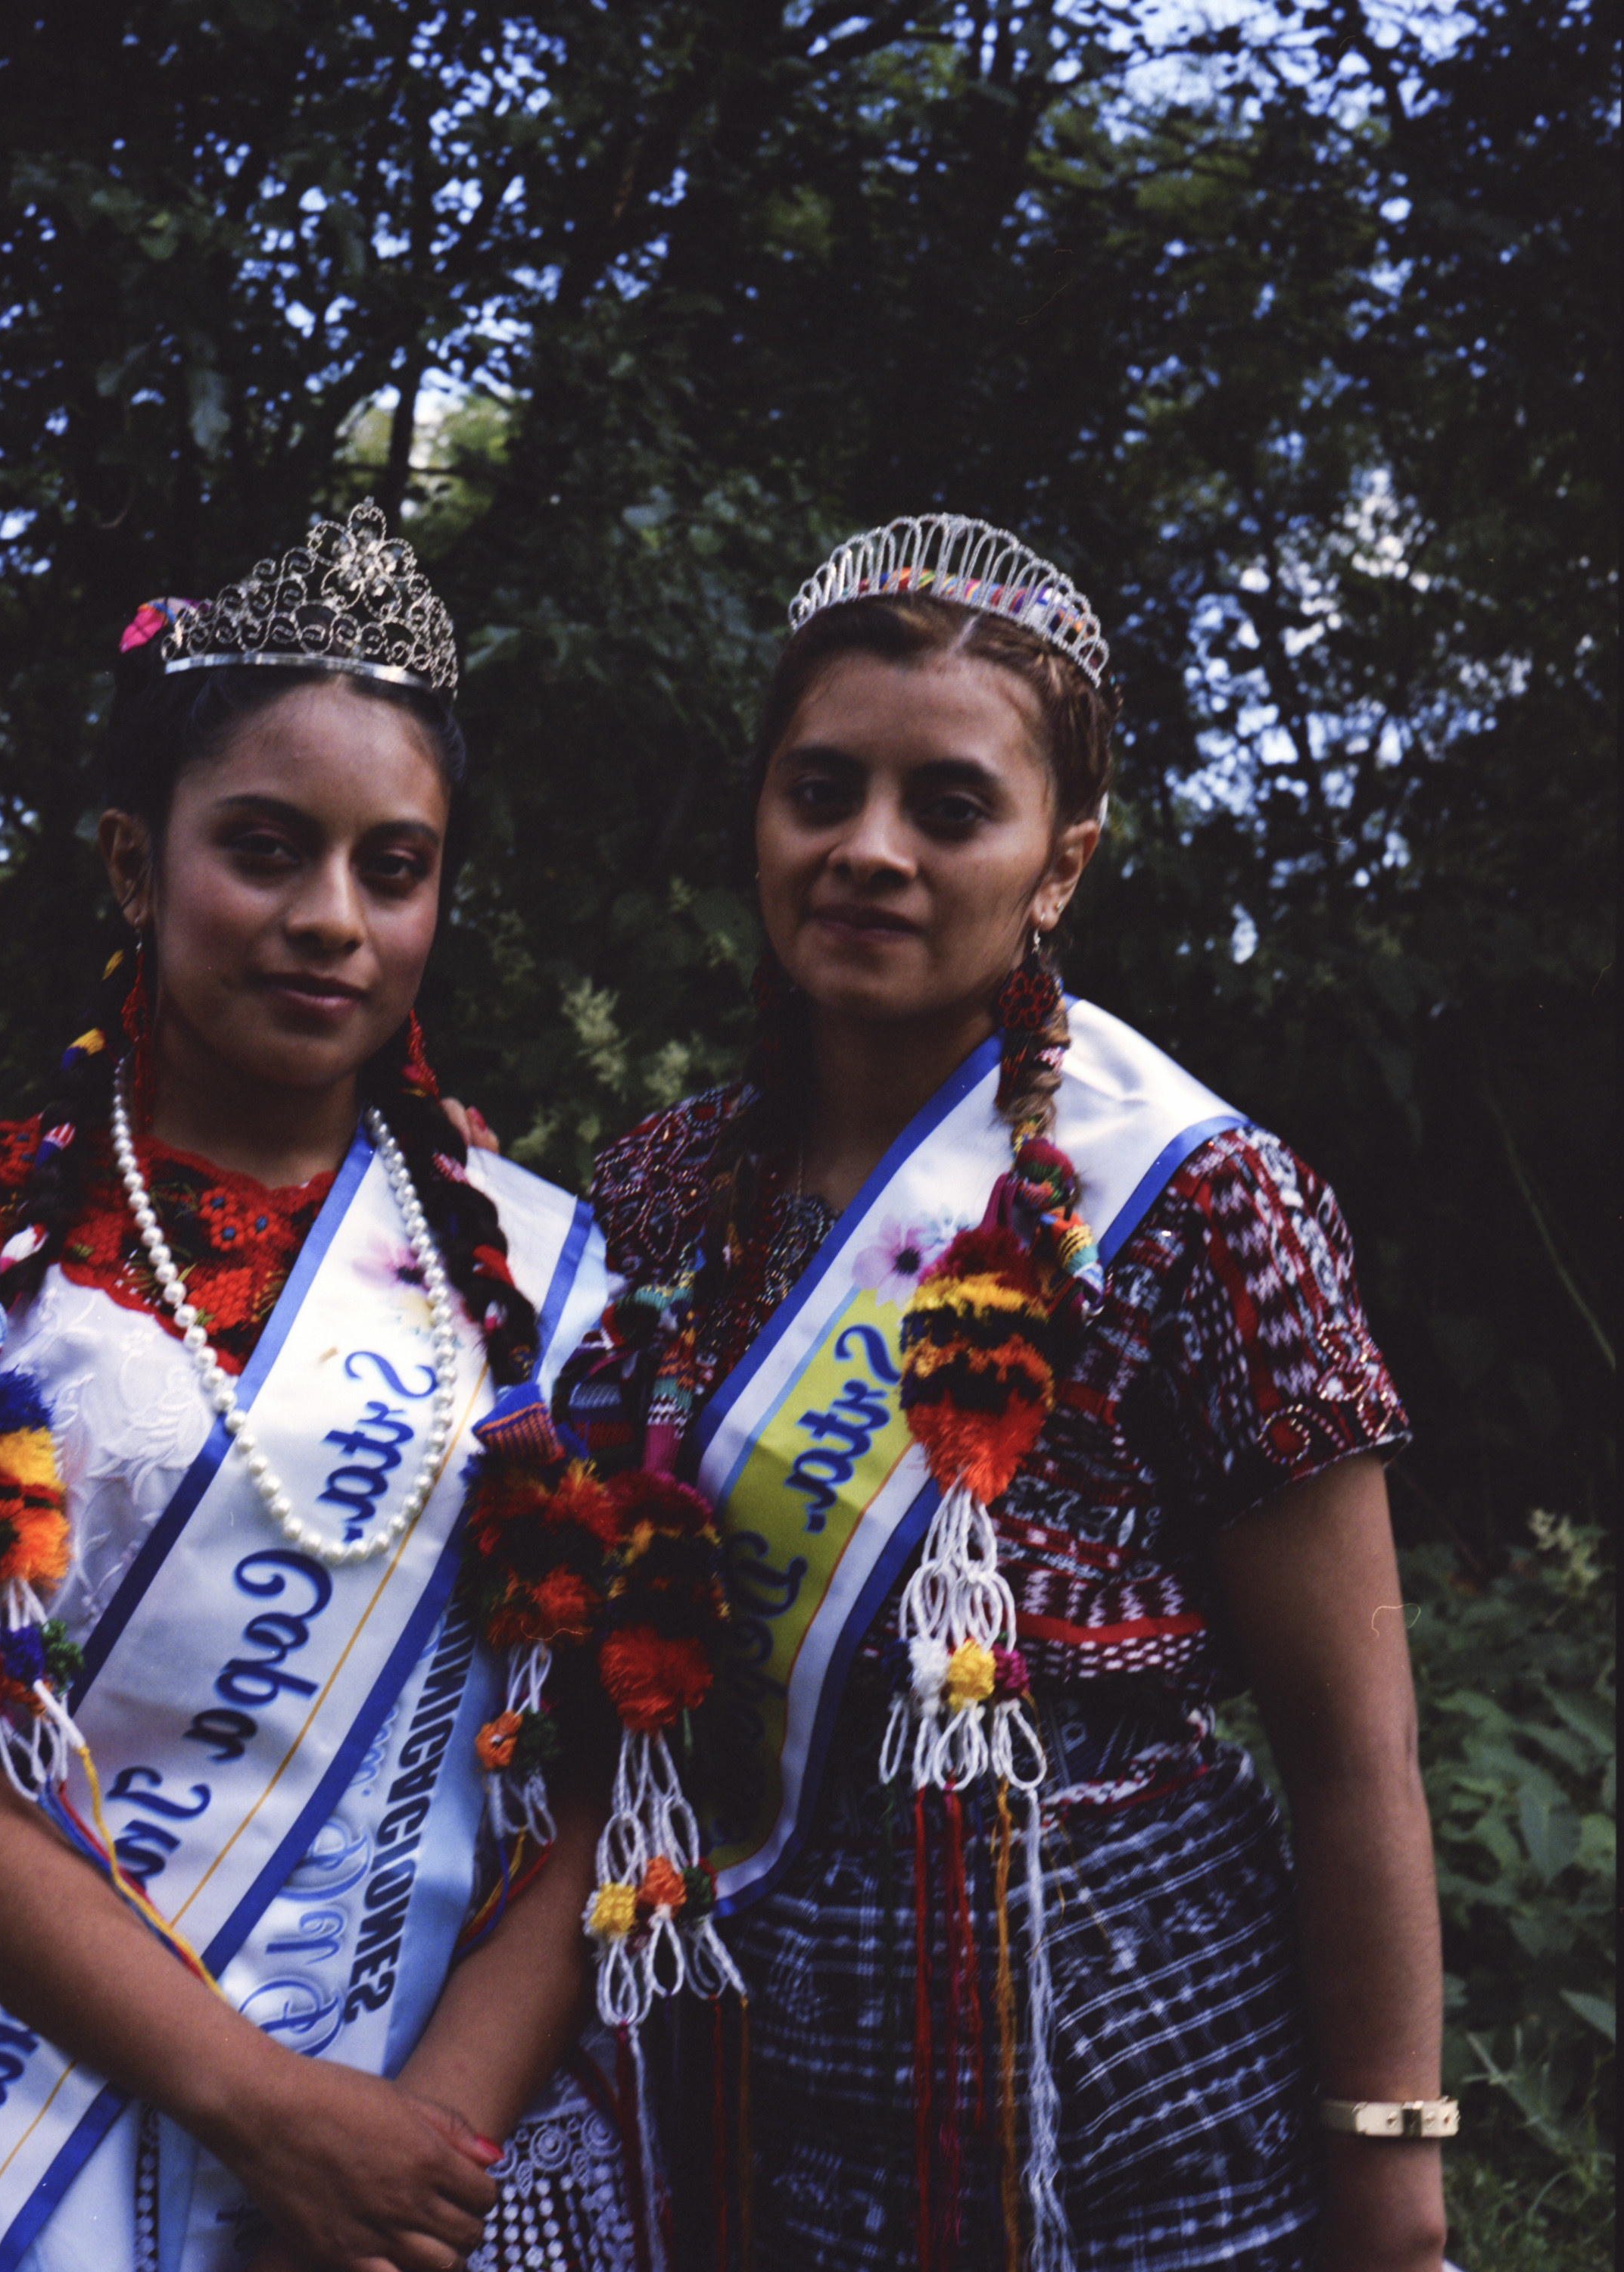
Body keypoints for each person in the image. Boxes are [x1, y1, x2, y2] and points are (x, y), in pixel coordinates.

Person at [552, 517, 1450, 2270]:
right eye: (819, 791)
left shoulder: (1193, 1199)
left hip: (1133, 2096)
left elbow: (1353, 1747)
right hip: (739, 2080)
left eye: (948, 807)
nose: (866, 851)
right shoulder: (653, 1200)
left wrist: (1391, 2177)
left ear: (1061, 860)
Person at [0, 504, 626, 2272]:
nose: (330, 919)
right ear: (130, 862)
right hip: (36, 2120)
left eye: (393, 867)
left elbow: (610, 1757)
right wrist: (260, 2106)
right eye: (262, 847)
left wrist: (415, 2153)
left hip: (430, 2148)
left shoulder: (545, 1279)